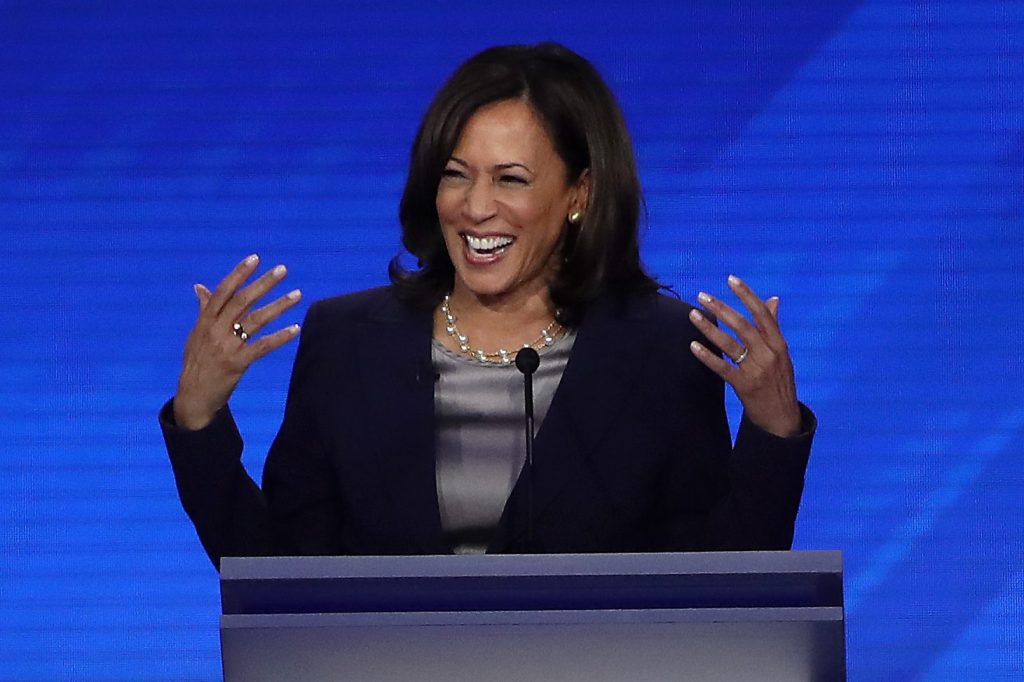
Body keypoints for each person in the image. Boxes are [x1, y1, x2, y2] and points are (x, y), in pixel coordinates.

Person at [160, 43, 815, 569]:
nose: (475, 208)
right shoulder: (347, 341)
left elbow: (720, 593)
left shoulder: (664, 350)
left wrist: (772, 430)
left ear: (579, 194)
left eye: (511, 179)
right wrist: (199, 418)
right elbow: (280, 584)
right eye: (455, 173)